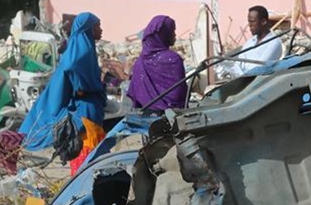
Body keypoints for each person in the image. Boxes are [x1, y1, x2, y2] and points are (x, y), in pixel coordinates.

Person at [18, 12, 107, 175]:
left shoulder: (78, 47)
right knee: (90, 157)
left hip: (86, 109)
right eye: (97, 26)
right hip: (86, 111)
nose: (101, 30)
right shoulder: (83, 52)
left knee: (86, 156)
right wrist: (81, 86)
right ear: (88, 28)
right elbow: (71, 68)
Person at [127, 15, 187, 114]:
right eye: (172, 31)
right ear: (163, 34)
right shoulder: (173, 59)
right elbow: (179, 93)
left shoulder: (139, 62)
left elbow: (135, 95)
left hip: (145, 115)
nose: (175, 35)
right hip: (172, 116)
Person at [217, 6, 283, 79]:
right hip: (242, 81)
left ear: (263, 22)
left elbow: (258, 69)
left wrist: (239, 68)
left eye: (252, 21)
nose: (250, 25)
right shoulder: (251, 41)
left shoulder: (274, 43)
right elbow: (238, 63)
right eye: (249, 22)